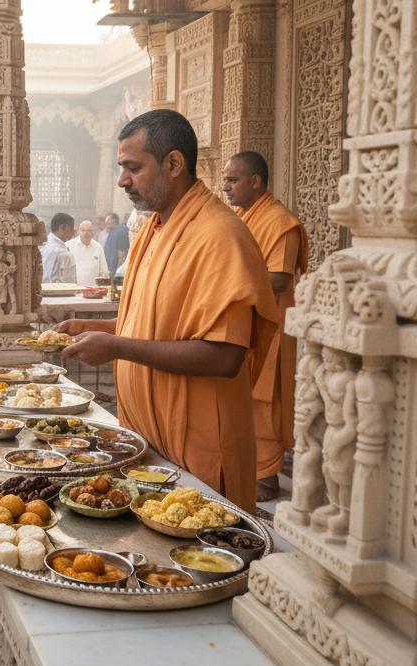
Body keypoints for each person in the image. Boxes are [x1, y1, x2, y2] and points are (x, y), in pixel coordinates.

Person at [55, 110, 279, 513]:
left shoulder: (219, 235)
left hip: (199, 444)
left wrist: (118, 347)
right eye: (122, 168)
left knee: (199, 564)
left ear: (174, 164)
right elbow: (152, 320)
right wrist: (91, 327)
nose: (123, 180)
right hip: (148, 437)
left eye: (133, 168)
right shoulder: (156, 228)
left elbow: (226, 355)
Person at [222, 151, 309, 503]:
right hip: (247, 321)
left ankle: (267, 477)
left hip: (273, 325)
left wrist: (226, 281)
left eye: (233, 180)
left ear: (255, 181)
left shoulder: (281, 221)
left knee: (265, 399)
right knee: (241, 394)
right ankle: (245, 465)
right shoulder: (241, 218)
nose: (225, 187)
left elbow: (277, 278)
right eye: (225, 179)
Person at [38, 213, 79, 283]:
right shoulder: (54, 250)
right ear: (61, 228)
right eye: (71, 228)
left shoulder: (48, 244)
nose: (73, 231)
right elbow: (47, 278)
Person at [65, 220, 108, 286]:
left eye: (89, 231)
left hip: (94, 291)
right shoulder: (68, 246)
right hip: (73, 290)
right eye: (83, 230)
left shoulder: (98, 247)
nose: (86, 233)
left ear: (93, 232)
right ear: (78, 231)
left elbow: (104, 272)